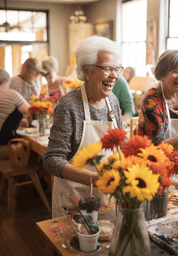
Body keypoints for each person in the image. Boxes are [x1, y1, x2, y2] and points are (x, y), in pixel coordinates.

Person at [42, 35, 124, 218]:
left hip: (110, 198)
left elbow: (121, 146)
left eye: (117, 68)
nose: (115, 75)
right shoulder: (69, 105)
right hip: (76, 201)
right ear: (87, 71)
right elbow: (52, 159)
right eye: (107, 68)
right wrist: (95, 179)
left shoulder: (113, 101)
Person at [136, 50, 178, 148]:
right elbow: (158, 146)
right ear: (161, 75)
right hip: (149, 157)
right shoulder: (151, 101)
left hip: (175, 153)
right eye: (175, 71)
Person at [0, 68, 31, 145]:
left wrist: (20, 121)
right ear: (4, 81)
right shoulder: (12, 95)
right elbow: (31, 111)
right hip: (5, 144)